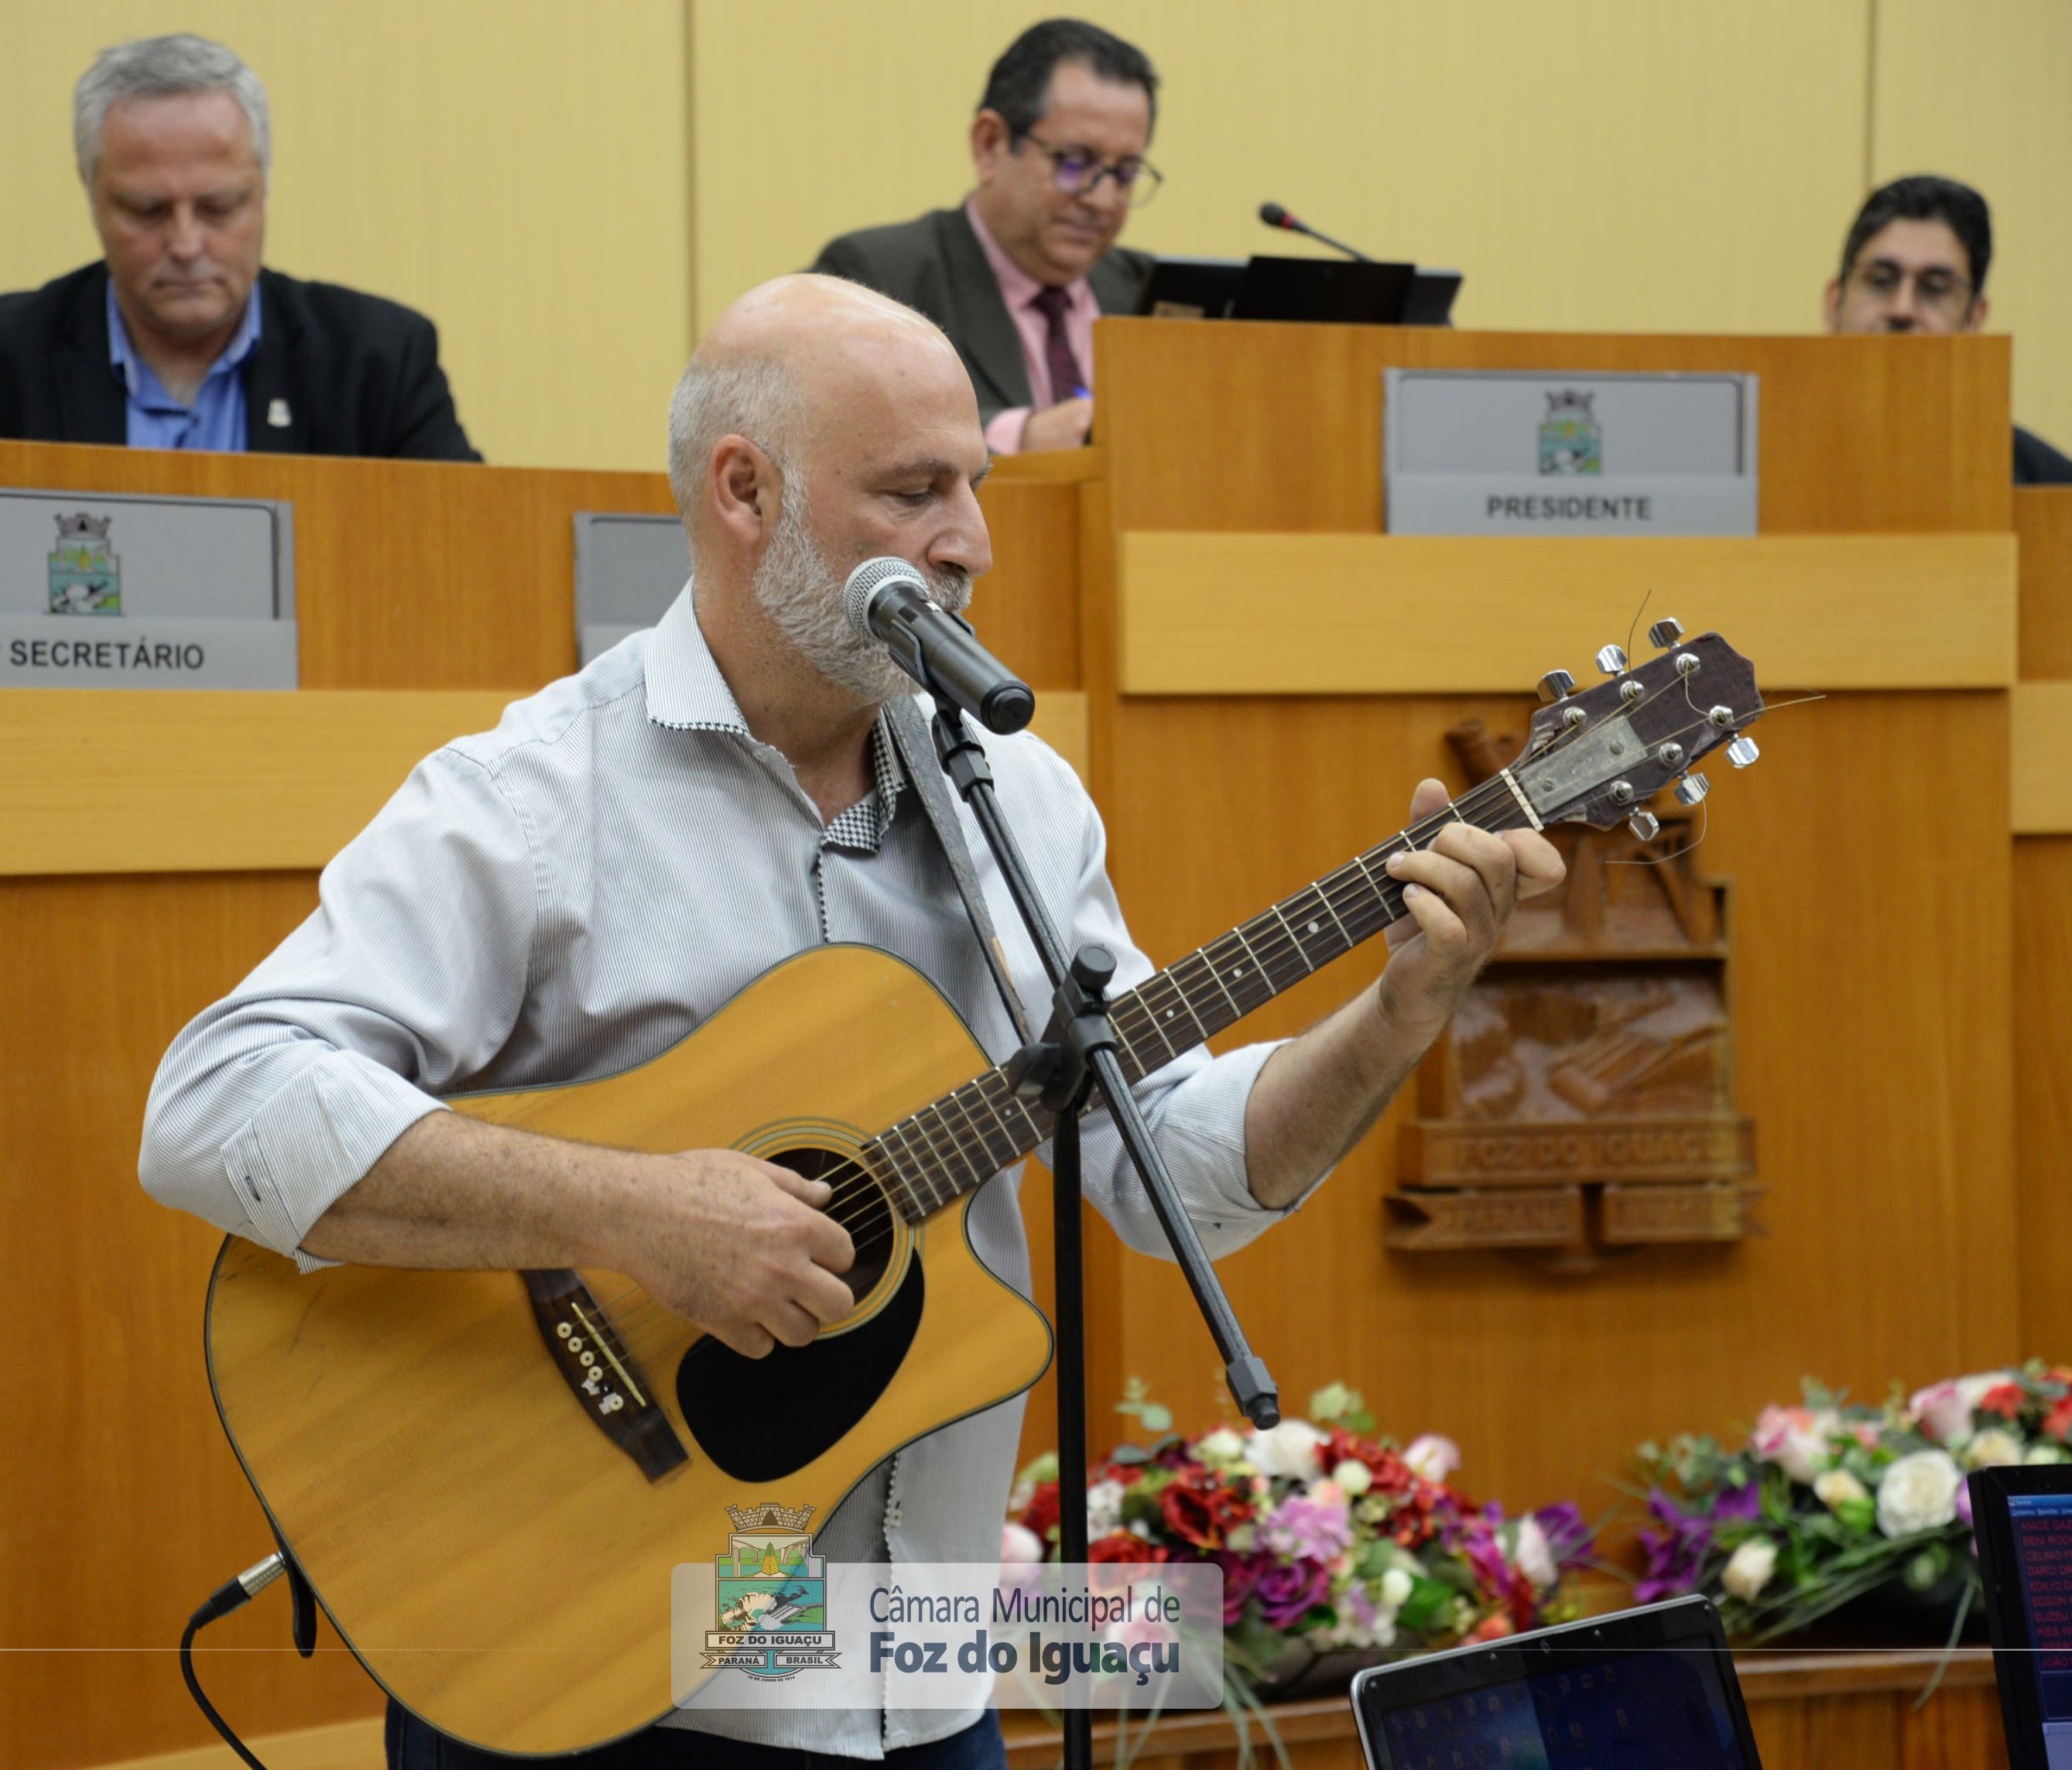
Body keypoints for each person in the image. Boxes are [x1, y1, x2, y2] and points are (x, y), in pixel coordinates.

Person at [139, 273, 1560, 1766]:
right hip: (586, 1674)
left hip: (925, 1686)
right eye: (913, 490)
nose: (971, 540)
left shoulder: (1018, 805)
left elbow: (1167, 1169)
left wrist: (1397, 1012)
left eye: (976, 486)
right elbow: (218, 1102)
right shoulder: (533, 798)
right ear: (744, 491)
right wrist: (638, 1212)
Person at [0, 33, 479, 460]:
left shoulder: (376, 361)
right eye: (147, 210)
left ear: (263, 187)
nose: (185, 244)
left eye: (220, 207)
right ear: (90, 190)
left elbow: (468, 564)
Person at [810, 19, 1160, 456]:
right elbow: (831, 440)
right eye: (1074, 163)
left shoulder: (1148, 294)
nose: (1104, 200)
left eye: (1125, 173)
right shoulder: (875, 280)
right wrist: (1020, 436)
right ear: (991, 145)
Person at [1823, 174, 2072, 484]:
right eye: (1880, 280)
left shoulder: (2042, 476)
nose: (1902, 309)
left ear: (1973, 319)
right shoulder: (1760, 454)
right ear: (1834, 304)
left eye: (1935, 288)